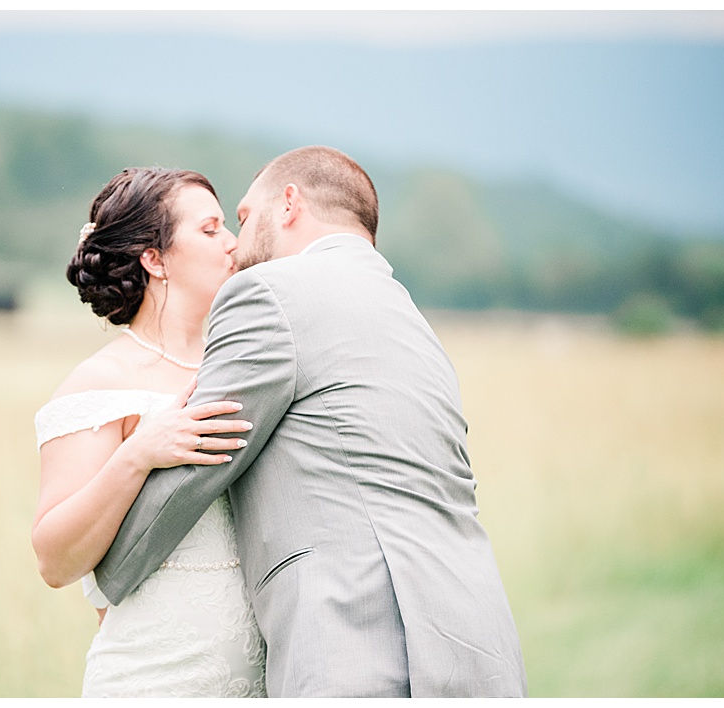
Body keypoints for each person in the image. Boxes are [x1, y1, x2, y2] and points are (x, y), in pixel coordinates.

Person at [93, 146, 529, 697]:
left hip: (361, 646)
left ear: (289, 205)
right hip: (477, 645)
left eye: (245, 218)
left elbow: (203, 452)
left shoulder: (269, 294)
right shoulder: (410, 319)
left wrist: (104, 572)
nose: (236, 243)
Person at [31, 167, 266, 697]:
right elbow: (53, 560)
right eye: (210, 230)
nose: (231, 242)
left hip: (263, 675)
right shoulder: (100, 383)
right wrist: (138, 455)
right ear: (154, 258)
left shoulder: (242, 366)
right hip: (154, 675)